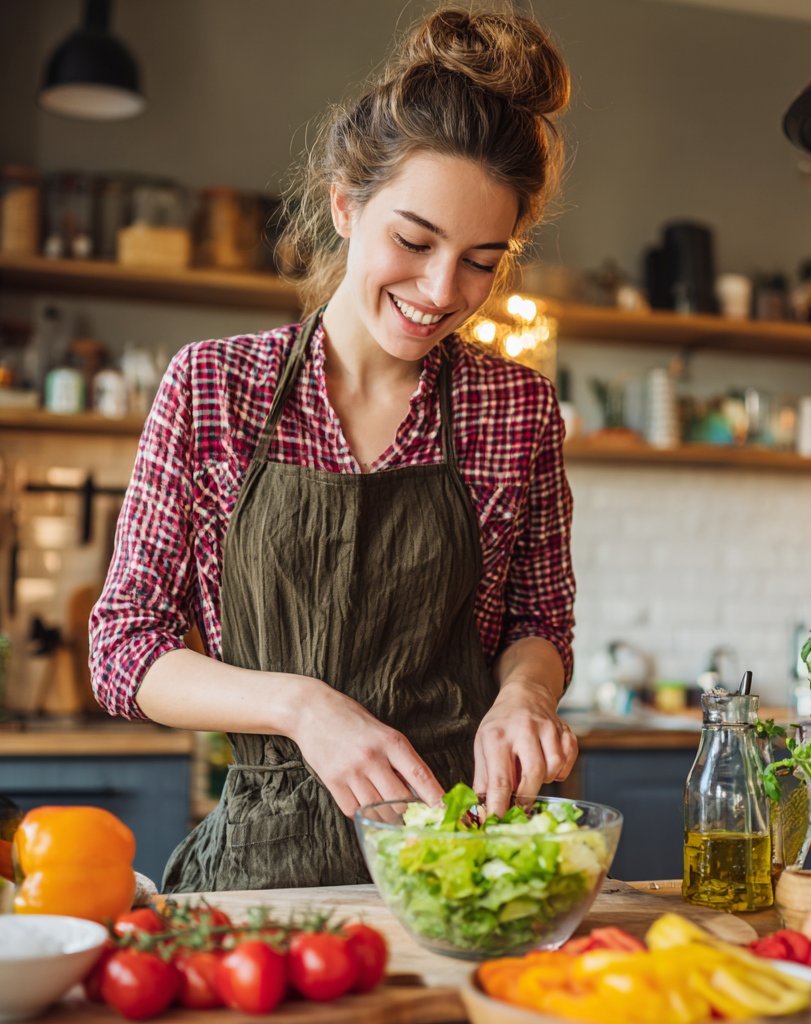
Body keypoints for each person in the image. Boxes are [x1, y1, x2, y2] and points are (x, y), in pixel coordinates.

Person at [89, 6, 577, 893]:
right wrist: (300, 706)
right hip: (259, 880)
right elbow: (125, 649)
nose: (441, 291)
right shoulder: (213, 388)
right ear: (344, 205)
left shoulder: (518, 408)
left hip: (458, 870)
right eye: (414, 241)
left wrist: (526, 696)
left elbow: (537, 625)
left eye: (480, 260)